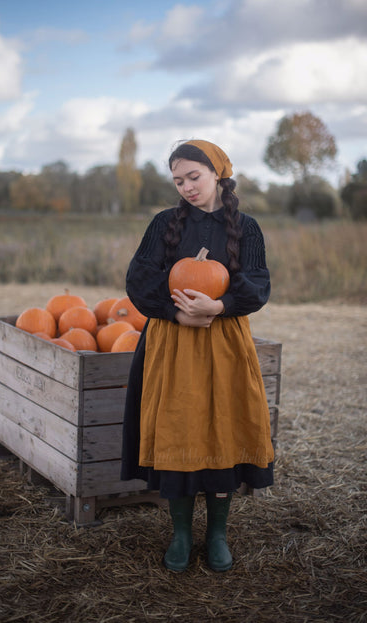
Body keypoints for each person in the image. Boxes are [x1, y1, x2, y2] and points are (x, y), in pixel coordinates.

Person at [120, 139, 274, 573]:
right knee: (179, 430)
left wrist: (219, 306)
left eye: (194, 177)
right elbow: (139, 280)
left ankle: (219, 534)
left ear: (218, 174)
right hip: (173, 343)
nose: (186, 187)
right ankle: (182, 534)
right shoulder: (163, 224)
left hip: (224, 342)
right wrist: (174, 313)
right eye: (178, 180)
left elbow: (258, 284)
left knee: (222, 429)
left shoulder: (247, 228)